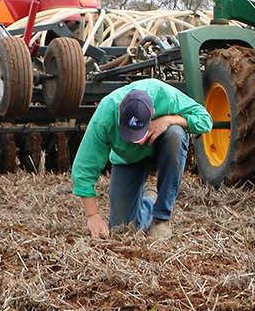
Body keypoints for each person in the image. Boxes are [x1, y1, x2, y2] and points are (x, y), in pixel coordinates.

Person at [71, 78, 212, 241]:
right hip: (129, 159)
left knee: (175, 134)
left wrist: (170, 120)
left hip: (161, 148)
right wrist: (93, 215)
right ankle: (150, 200)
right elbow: (83, 167)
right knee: (122, 228)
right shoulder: (105, 114)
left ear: (152, 113)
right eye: (128, 133)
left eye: (137, 134)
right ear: (119, 110)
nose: (133, 139)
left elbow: (205, 120)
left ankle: (161, 218)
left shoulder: (165, 95)